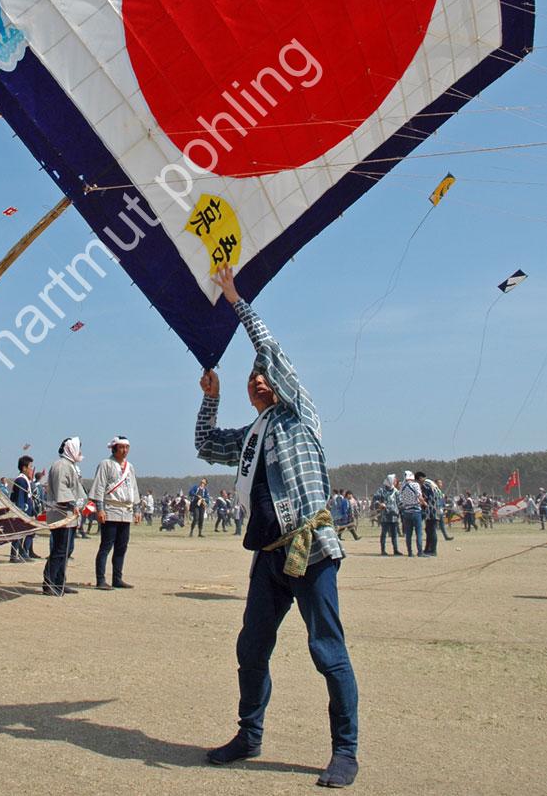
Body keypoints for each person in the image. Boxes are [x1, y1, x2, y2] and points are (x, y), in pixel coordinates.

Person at [197, 267, 358, 788]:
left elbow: (271, 350)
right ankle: (249, 735)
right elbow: (205, 444)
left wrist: (235, 299)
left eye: (264, 375)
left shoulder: (298, 415)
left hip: (310, 548)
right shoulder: (251, 435)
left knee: (326, 650)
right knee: (251, 649)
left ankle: (345, 751)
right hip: (267, 555)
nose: (259, 379)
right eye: (252, 379)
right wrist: (212, 396)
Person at [89, 436, 141, 589]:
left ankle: (117, 578)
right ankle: (100, 580)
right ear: (114, 448)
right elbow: (99, 487)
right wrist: (100, 509)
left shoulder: (130, 467)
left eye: (127, 447)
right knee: (106, 546)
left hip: (126, 510)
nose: (124, 450)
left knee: (121, 547)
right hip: (110, 509)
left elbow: (134, 488)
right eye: (121, 447)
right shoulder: (105, 464)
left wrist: (137, 509)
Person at [43, 437, 84, 596]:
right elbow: (62, 491)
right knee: (60, 549)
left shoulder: (70, 466)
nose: (80, 452)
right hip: (61, 514)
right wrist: (73, 504)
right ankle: (49, 583)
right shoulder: (61, 466)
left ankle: (60, 582)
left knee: (67, 549)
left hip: (69, 515)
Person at [9, 455, 41, 562]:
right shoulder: (21, 480)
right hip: (21, 512)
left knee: (24, 533)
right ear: (24, 468)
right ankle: (14, 555)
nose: (32, 469)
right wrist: (21, 512)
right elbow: (20, 498)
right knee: (18, 533)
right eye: (30, 467)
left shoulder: (25, 480)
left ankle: (22, 552)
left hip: (27, 511)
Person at [372, 475, 402, 556]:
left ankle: (396, 550)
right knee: (384, 534)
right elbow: (375, 499)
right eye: (394, 480)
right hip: (384, 516)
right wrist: (379, 504)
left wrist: (401, 510)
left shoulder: (396, 491)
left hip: (394, 516)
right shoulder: (381, 490)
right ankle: (383, 550)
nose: (396, 482)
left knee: (394, 534)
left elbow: (400, 502)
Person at [399, 471, 425, 557]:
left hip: (406, 512)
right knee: (419, 533)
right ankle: (420, 552)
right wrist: (424, 503)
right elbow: (419, 496)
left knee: (408, 534)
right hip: (416, 511)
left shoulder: (402, 486)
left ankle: (410, 552)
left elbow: (400, 498)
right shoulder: (415, 485)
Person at [415, 472, 438, 556]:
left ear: (420, 478)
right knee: (428, 530)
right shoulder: (430, 482)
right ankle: (427, 549)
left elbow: (425, 498)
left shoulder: (426, 485)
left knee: (431, 530)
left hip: (432, 510)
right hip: (433, 510)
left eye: (417, 481)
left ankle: (433, 550)